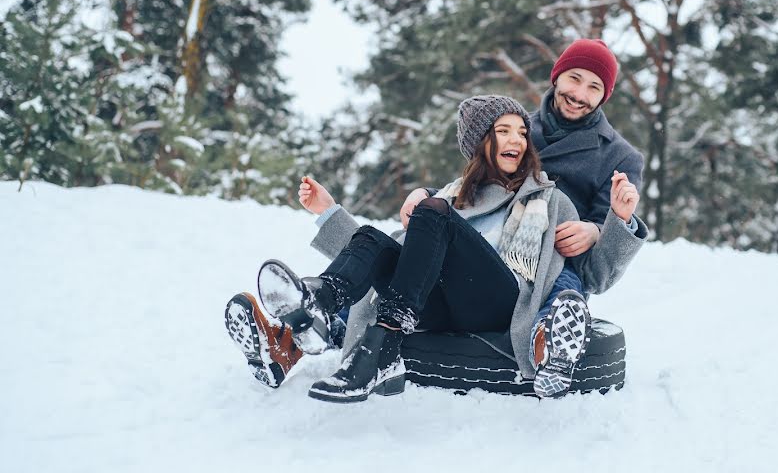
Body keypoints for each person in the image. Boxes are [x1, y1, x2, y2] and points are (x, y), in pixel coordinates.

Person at [226, 95, 645, 402]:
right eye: (504, 131)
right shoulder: (452, 196)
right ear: (480, 142)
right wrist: (328, 213)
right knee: (376, 237)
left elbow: (591, 276)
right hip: (440, 304)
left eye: (522, 131)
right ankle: (320, 298)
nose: (518, 138)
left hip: (500, 303)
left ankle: (382, 340)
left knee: (434, 212)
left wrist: (618, 222)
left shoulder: (550, 201)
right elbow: (396, 261)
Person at [399, 39, 644, 367]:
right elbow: (476, 183)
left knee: (563, 285)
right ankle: (334, 318)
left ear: (604, 95)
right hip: (494, 246)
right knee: (406, 252)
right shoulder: (516, 128)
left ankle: (549, 344)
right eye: (574, 79)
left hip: (553, 260)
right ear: (556, 76)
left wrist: (599, 230)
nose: (580, 94)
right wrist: (427, 195)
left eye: (594, 86)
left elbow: (601, 263)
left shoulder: (620, 157)